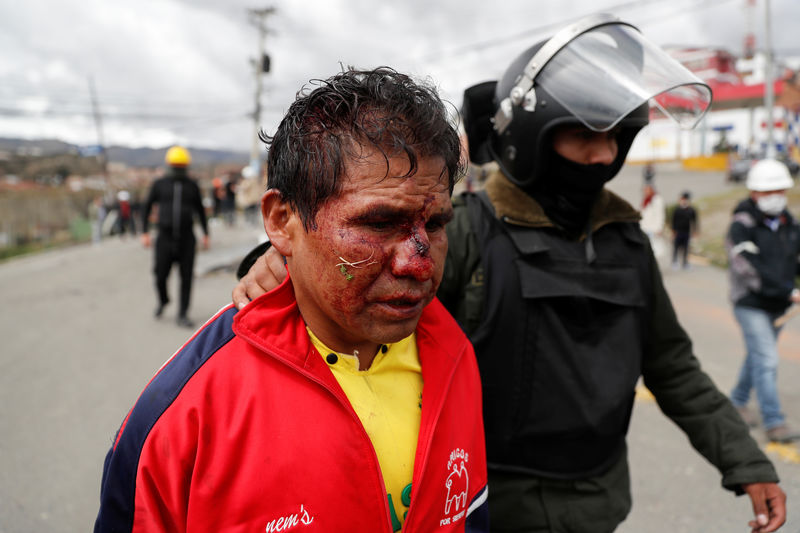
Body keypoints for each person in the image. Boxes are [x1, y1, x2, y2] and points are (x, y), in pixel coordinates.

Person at [233, 15, 786, 533]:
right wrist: (278, 261)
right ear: (534, 138)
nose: (602, 156)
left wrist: (743, 458)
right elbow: (352, 305)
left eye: (615, 138)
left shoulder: (627, 240)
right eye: (584, 136)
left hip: (600, 501)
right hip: (482, 501)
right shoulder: (465, 230)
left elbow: (672, 365)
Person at [95, 68, 489, 533]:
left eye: (437, 226)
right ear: (282, 221)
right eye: (379, 224)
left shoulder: (454, 354)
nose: (419, 263)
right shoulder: (185, 410)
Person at [726, 158, 800, 443]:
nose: (775, 197)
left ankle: (737, 400)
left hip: (778, 305)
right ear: (754, 193)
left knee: (758, 355)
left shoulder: (789, 224)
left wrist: (787, 291)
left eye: (780, 190)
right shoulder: (740, 226)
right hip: (750, 303)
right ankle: (774, 421)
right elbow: (747, 268)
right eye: (768, 192)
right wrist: (787, 291)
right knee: (767, 358)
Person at [140, 146, 210, 328]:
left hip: (187, 239)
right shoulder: (159, 184)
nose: (179, 169)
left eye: (181, 165)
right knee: (159, 275)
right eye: (176, 165)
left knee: (186, 278)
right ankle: (163, 300)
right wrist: (145, 232)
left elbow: (201, 211)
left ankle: (183, 314)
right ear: (169, 165)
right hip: (164, 237)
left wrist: (206, 234)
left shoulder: (192, 185)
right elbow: (146, 207)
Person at [671, 190, 698, 269]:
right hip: (678, 232)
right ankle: (675, 261)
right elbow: (673, 221)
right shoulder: (677, 210)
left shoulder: (691, 210)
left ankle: (685, 263)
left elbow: (694, 221)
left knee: (686, 248)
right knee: (676, 247)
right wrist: (673, 231)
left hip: (687, 232)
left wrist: (694, 231)